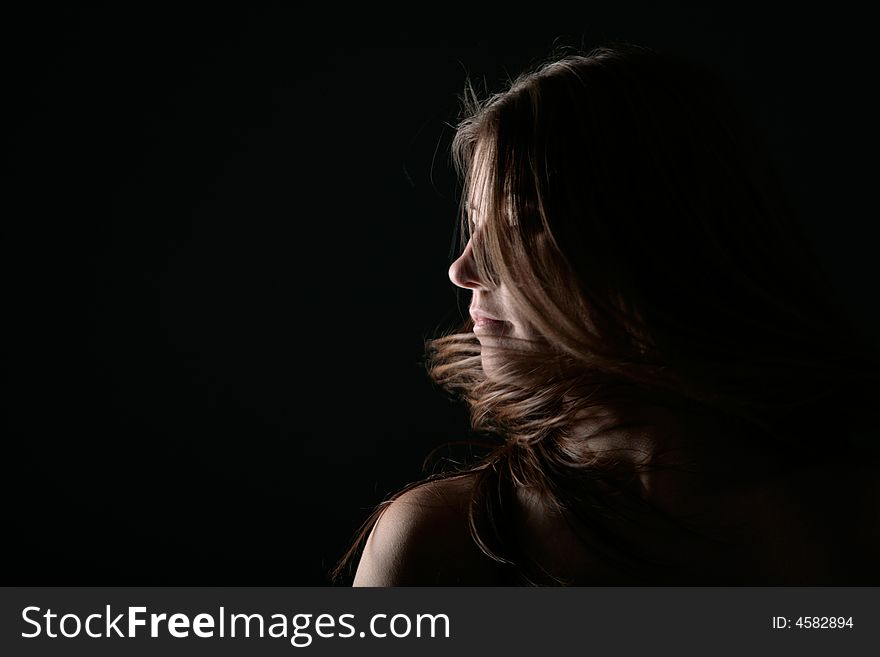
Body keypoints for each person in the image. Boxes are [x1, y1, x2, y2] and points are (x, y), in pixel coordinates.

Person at [335, 43, 880, 585]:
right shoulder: (441, 541)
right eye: (476, 225)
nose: (464, 268)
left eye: (518, 223)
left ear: (660, 242)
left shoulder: (852, 525)